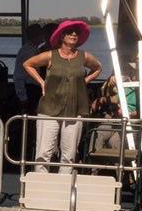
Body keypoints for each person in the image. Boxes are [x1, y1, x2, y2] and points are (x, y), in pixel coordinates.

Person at [23, 20, 102, 173]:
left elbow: (98, 68)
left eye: (76, 32)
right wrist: (41, 82)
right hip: (49, 108)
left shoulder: (84, 56)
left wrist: (84, 81)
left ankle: (63, 189)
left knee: (69, 155)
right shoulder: (50, 55)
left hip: (74, 109)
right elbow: (28, 64)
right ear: (61, 36)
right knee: (43, 153)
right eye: (70, 31)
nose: (73, 34)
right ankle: (41, 188)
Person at [13, 23, 47, 116]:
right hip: (29, 89)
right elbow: (19, 76)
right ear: (37, 36)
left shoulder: (33, 49)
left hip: (32, 88)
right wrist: (23, 97)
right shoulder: (28, 52)